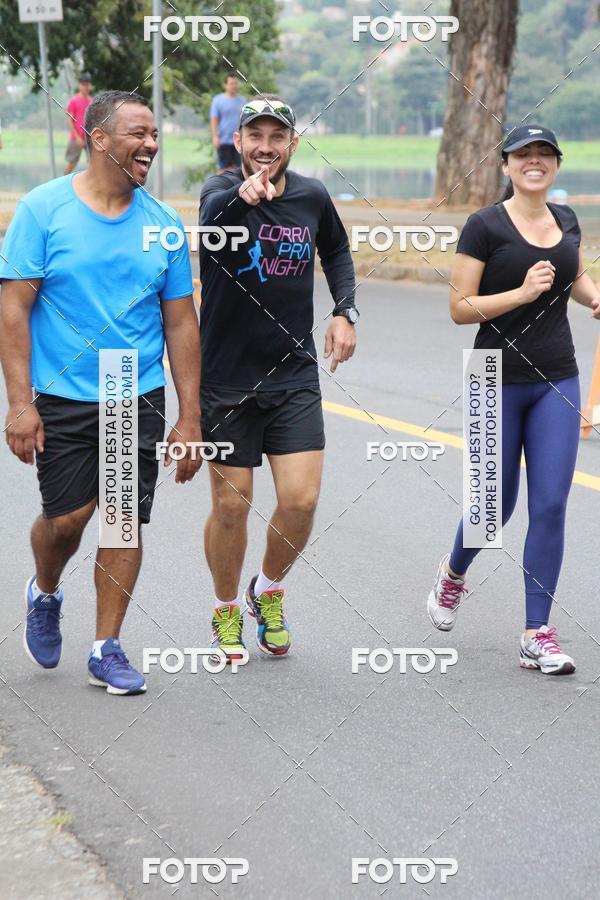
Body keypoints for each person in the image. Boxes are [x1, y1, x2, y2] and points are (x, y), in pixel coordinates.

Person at [0, 90, 202, 694]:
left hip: (131, 390)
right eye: (138, 134)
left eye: (155, 134)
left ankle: (106, 646)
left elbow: (181, 324)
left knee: (122, 521)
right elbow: (13, 310)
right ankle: (45, 589)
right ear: (99, 140)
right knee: (67, 521)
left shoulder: (162, 225)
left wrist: (190, 419)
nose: (151, 145)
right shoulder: (43, 210)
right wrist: (20, 404)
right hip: (60, 393)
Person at [428, 125, 600, 675]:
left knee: (550, 504)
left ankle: (536, 633)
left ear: (555, 165)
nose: (534, 162)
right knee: (490, 509)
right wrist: (523, 293)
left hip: (557, 377)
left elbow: (572, 275)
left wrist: (595, 299)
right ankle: (453, 575)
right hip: (491, 375)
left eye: (544, 154)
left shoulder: (566, 220)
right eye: (523, 154)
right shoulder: (483, 226)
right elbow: (460, 308)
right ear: (506, 165)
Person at [199, 95, 359, 661]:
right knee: (232, 506)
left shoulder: (313, 196)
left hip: (292, 376)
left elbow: (337, 251)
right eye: (255, 137)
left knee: (301, 499)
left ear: (292, 143)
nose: (265, 147)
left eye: (277, 137)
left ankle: (266, 589)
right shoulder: (217, 194)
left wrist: (345, 309)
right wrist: (244, 198)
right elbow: (212, 227)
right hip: (225, 382)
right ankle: (224, 611)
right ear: (237, 142)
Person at [210, 75, 246, 173]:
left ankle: (236, 188)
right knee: (223, 168)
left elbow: (245, 121)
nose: (233, 86)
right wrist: (215, 137)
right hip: (223, 140)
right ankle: (222, 187)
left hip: (238, 140)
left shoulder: (242, 101)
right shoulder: (218, 100)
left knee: (238, 169)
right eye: (231, 83)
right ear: (225, 85)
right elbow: (214, 120)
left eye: (235, 83)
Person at [64, 74, 93, 175]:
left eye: (87, 84)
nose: (85, 87)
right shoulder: (74, 101)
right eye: (83, 84)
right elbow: (69, 120)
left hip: (89, 138)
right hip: (76, 137)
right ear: (79, 86)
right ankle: (63, 184)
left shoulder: (91, 101)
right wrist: (77, 137)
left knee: (92, 163)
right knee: (72, 163)